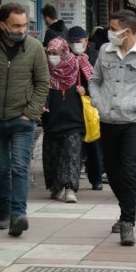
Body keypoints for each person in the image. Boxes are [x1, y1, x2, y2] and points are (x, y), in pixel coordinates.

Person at [89, 10, 136, 246]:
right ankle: (127, 208)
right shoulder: (105, 51)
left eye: (113, 28)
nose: (109, 33)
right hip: (107, 120)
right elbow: (95, 80)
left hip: (132, 123)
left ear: (127, 31)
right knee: (111, 172)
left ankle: (127, 222)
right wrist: (96, 101)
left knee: (129, 171)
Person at [0, 2, 49, 235]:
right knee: (2, 168)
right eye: (16, 26)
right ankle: (4, 213)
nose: (21, 30)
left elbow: (42, 83)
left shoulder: (35, 48)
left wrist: (29, 113)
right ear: (2, 25)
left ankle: (19, 215)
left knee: (19, 167)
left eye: (24, 25)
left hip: (22, 120)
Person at [42, 37, 93, 203]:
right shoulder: (45, 68)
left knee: (72, 154)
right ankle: (56, 187)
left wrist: (85, 90)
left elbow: (95, 83)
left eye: (55, 53)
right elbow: (38, 87)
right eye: (50, 53)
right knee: (54, 156)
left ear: (64, 51)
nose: (52, 56)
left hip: (75, 119)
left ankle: (70, 188)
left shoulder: (79, 64)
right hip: (52, 120)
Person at [69, 26, 103, 191]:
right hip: (73, 107)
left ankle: (96, 179)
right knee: (75, 145)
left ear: (86, 41)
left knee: (94, 144)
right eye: (73, 42)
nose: (76, 45)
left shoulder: (95, 56)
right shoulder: (66, 58)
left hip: (91, 107)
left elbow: (100, 81)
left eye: (79, 41)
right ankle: (72, 179)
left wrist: (87, 63)